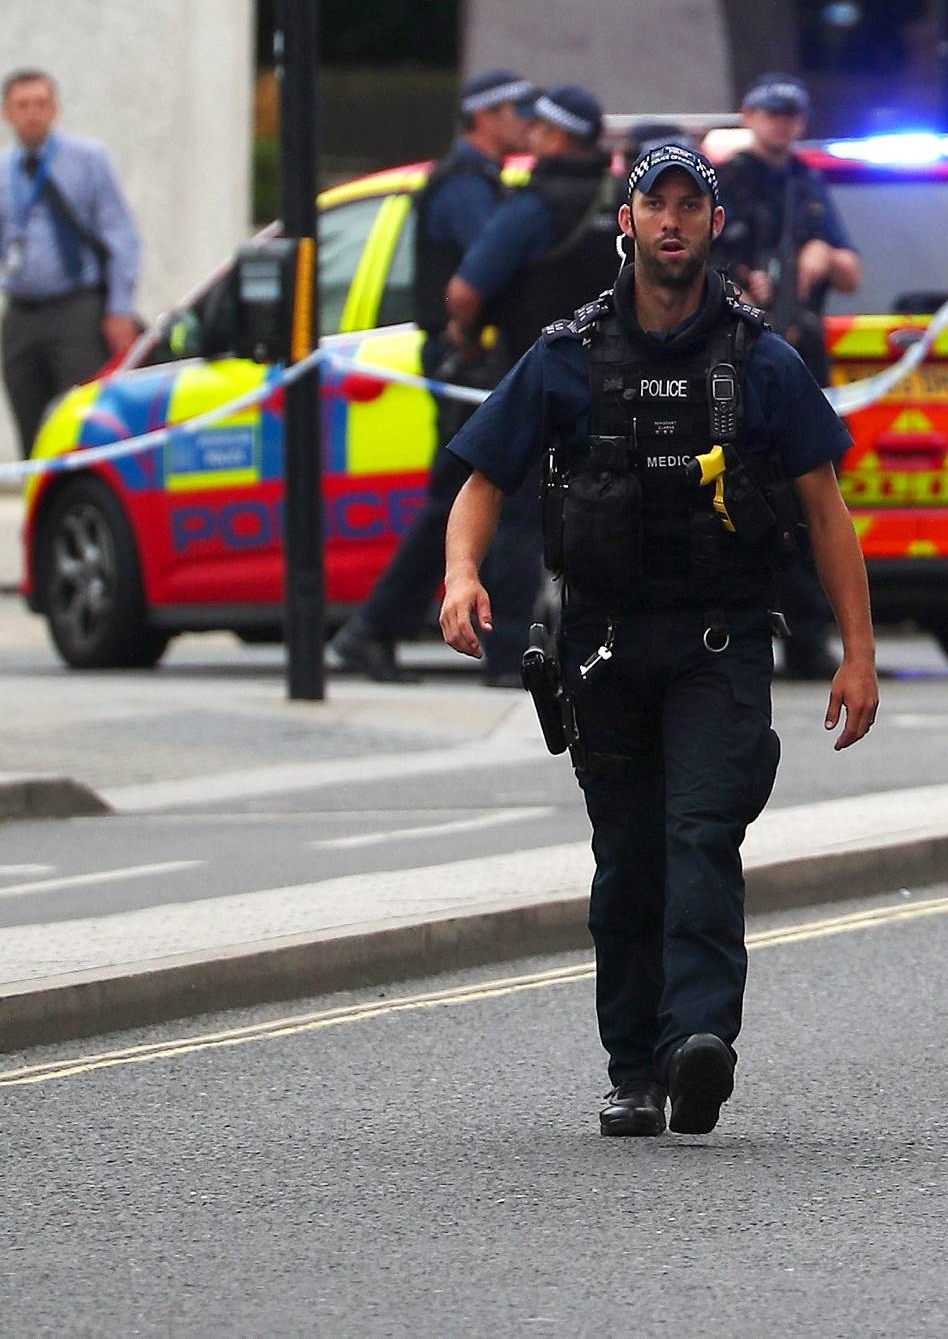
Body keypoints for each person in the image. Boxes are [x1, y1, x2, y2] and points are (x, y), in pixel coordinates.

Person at [440, 140, 879, 1139]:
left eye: (692, 203)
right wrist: (462, 574)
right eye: (656, 202)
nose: (673, 219)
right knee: (629, 861)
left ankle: (698, 1042)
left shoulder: (763, 359)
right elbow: (482, 480)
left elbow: (825, 509)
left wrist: (858, 649)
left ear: (715, 224)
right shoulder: (566, 354)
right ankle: (634, 1065)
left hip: (721, 643)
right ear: (627, 221)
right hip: (604, 646)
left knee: (702, 837)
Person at [331, 69, 534, 683]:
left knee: (457, 498)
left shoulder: (478, 180)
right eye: (513, 110)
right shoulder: (467, 186)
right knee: (461, 500)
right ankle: (373, 627)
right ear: (484, 116)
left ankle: (375, 628)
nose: (522, 121)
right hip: (464, 364)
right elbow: (486, 267)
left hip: (465, 362)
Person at [432, 83, 618, 685]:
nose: (530, 137)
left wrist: (465, 333)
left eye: (538, 128)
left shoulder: (534, 205)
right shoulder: (618, 198)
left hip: (541, 376)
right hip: (618, 383)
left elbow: (465, 289)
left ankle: (508, 650)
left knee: (513, 515)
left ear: (557, 136)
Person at [713, 73, 860, 680]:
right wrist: (744, 282)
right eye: (771, 113)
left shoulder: (808, 184)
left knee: (811, 496)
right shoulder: (727, 179)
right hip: (739, 353)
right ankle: (751, 624)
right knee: (746, 495)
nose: (782, 124)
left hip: (799, 353)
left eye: (791, 114)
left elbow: (851, 272)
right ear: (748, 115)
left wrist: (824, 257)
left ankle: (807, 633)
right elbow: (701, 259)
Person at [1, 69, 142, 452]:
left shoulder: (87, 159)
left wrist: (119, 308)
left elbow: (120, 235)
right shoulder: (4, 170)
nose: (32, 113)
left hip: (75, 308)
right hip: (21, 314)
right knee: (31, 426)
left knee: (82, 422)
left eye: (40, 104)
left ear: (55, 109)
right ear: (7, 113)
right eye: (22, 105)